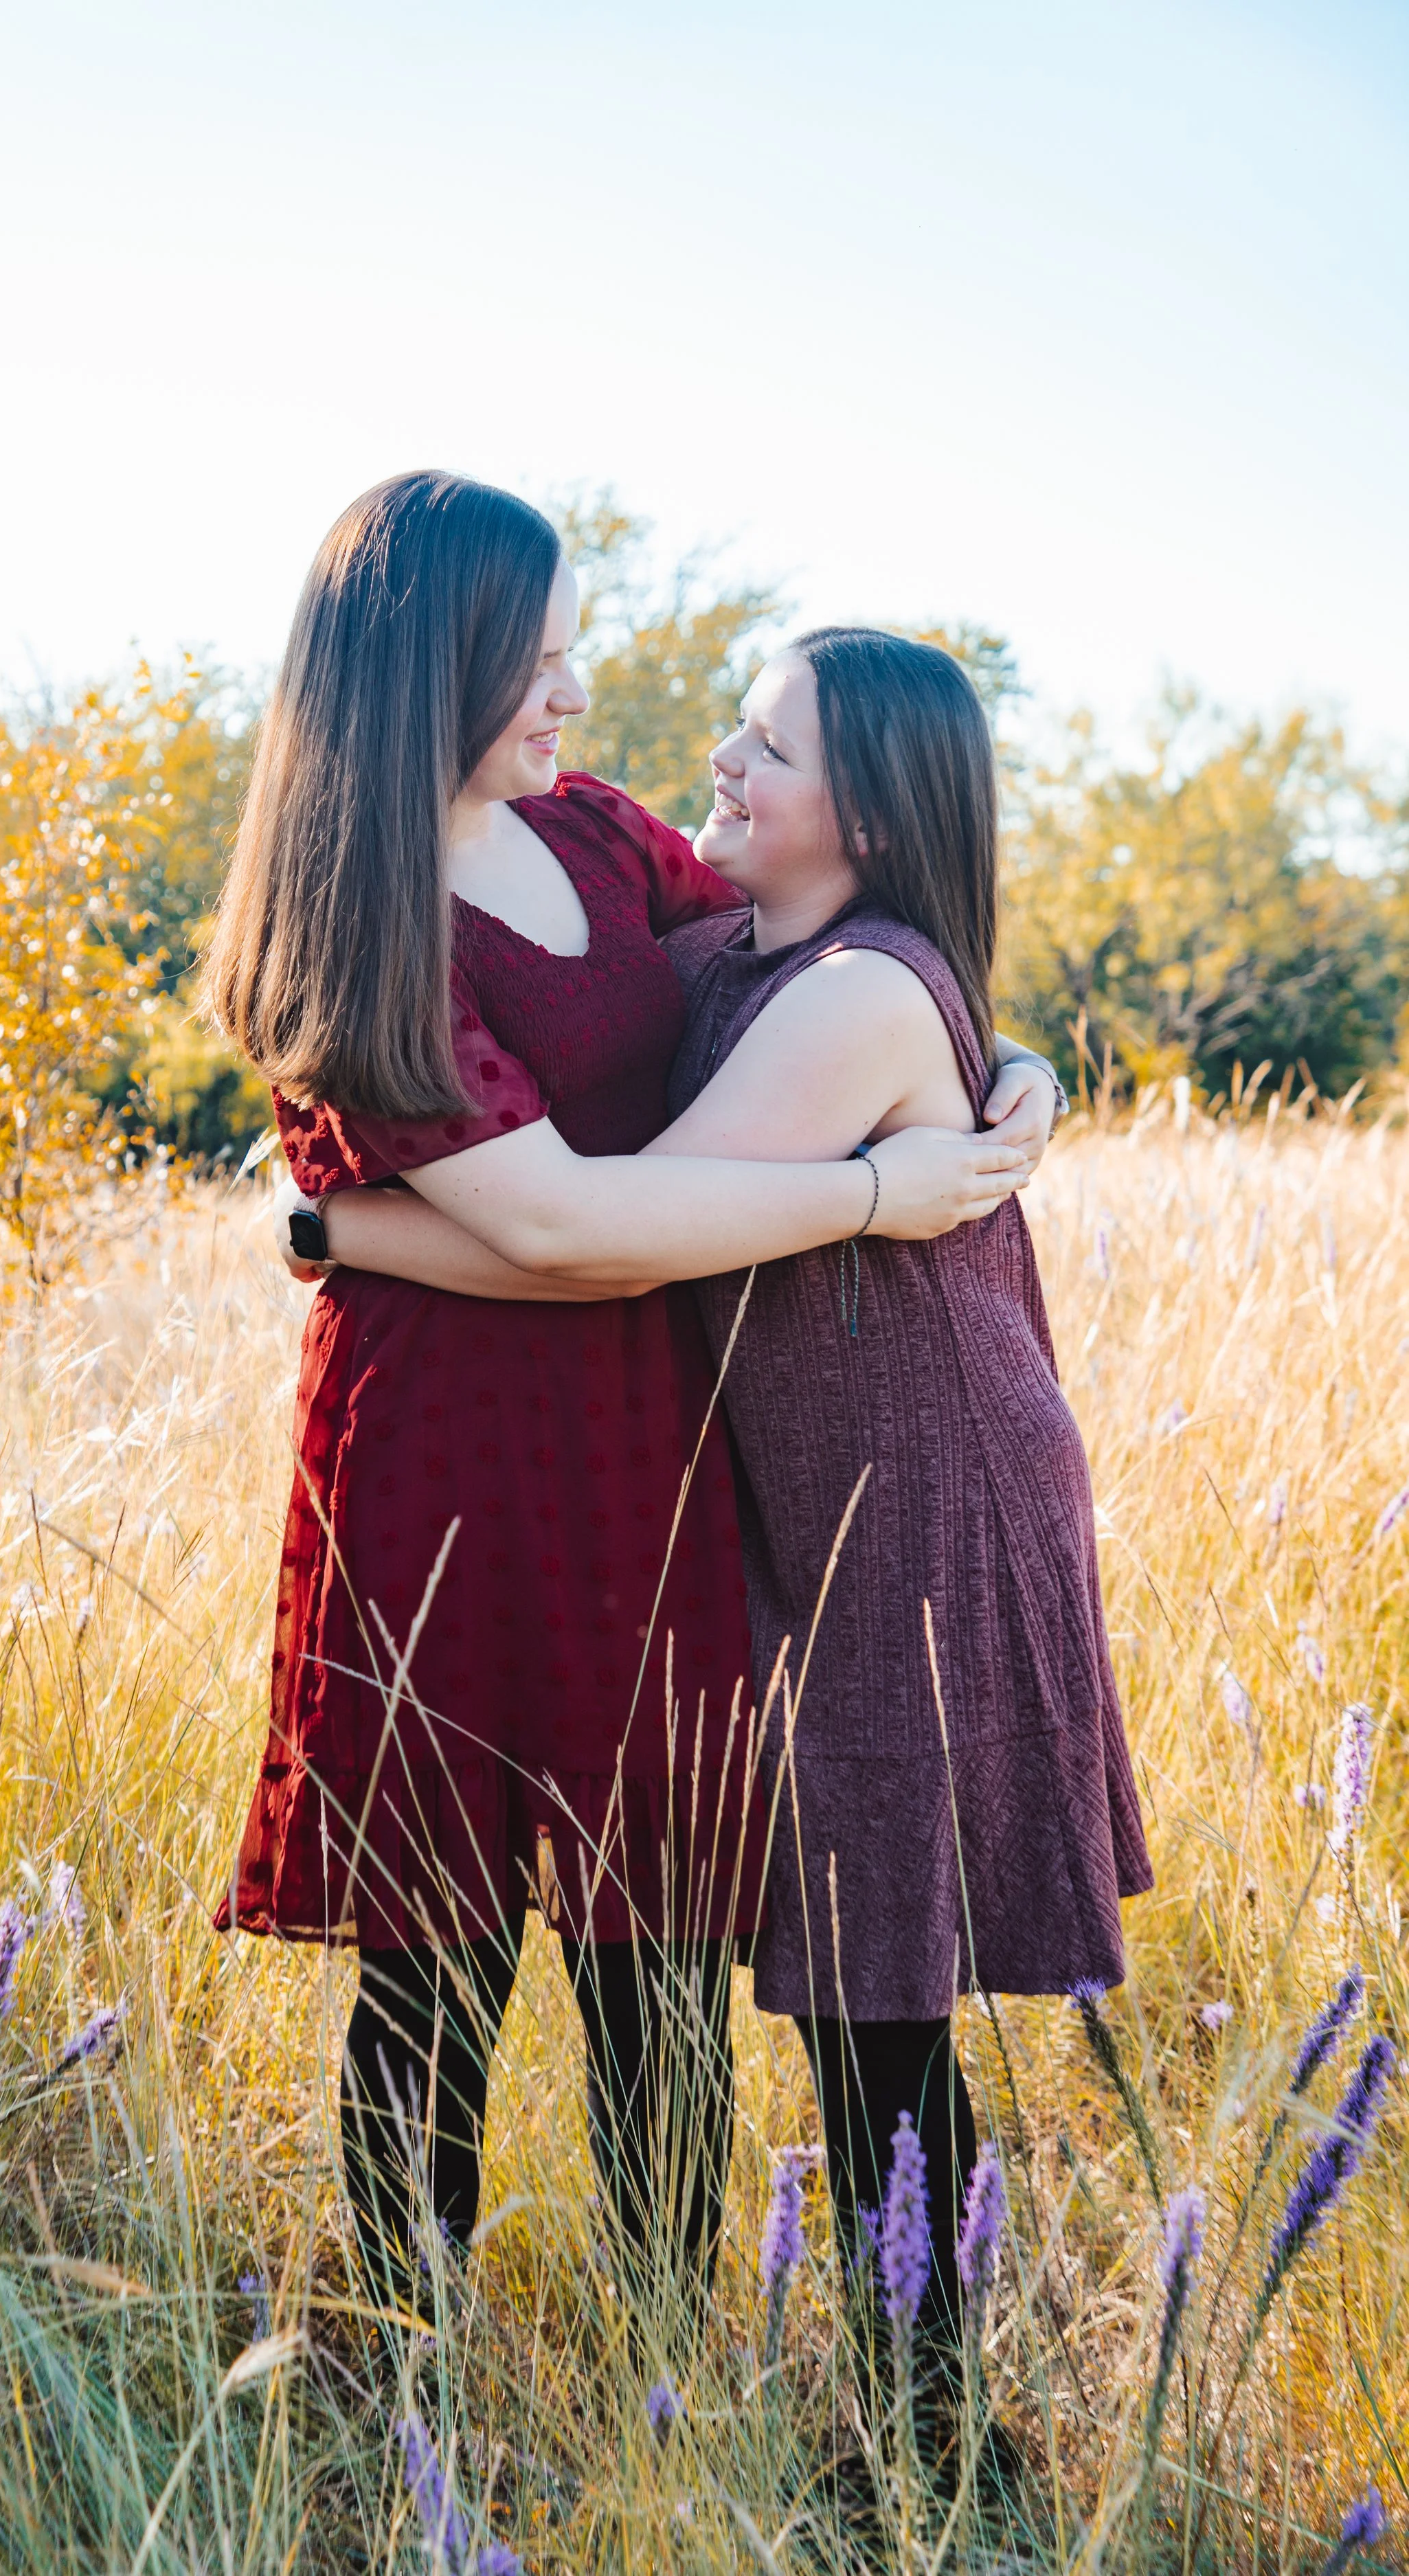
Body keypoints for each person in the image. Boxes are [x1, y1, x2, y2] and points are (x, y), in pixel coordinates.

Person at [205, 468, 1052, 2324]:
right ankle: (408, 2361)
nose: (576, 696)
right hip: (448, 1469)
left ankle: (656, 2377)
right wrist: (865, 1192)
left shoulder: (592, 837)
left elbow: (812, 942)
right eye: (540, 659)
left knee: (654, 1937)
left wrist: (998, 1062)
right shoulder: (353, 931)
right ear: (428, 673)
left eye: (573, 651)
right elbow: (565, 1229)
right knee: (432, 1954)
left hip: (658, 1449)